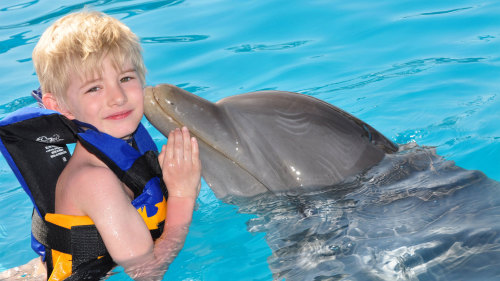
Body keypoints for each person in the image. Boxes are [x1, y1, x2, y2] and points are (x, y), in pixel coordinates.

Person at [0, 11, 201, 280]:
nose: (117, 97)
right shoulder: (94, 180)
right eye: (94, 88)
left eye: (126, 79)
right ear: (58, 106)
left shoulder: (125, 150)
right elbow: (147, 271)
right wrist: (182, 195)